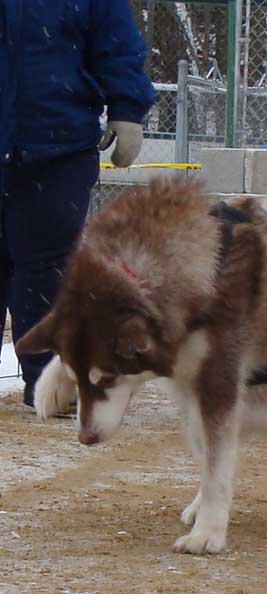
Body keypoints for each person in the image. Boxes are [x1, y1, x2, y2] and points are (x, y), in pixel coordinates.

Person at [0, 0, 155, 407]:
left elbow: (116, 41)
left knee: (48, 274)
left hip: (56, 149)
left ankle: (50, 386)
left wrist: (127, 107)